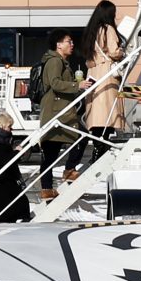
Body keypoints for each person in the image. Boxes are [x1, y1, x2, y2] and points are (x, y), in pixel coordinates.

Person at [32, 32, 85, 197]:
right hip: (57, 112)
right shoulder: (55, 61)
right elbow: (55, 83)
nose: (72, 44)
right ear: (58, 44)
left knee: (51, 153)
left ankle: (48, 188)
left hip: (58, 111)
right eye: (68, 41)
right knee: (81, 137)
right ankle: (67, 171)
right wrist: (77, 86)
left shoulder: (60, 61)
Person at [82, 0, 127, 153]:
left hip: (94, 73)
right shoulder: (108, 29)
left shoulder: (91, 31)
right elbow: (114, 52)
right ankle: (101, 149)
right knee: (108, 113)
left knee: (97, 116)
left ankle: (97, 146)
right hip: (107, 74)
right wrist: (123, 52)